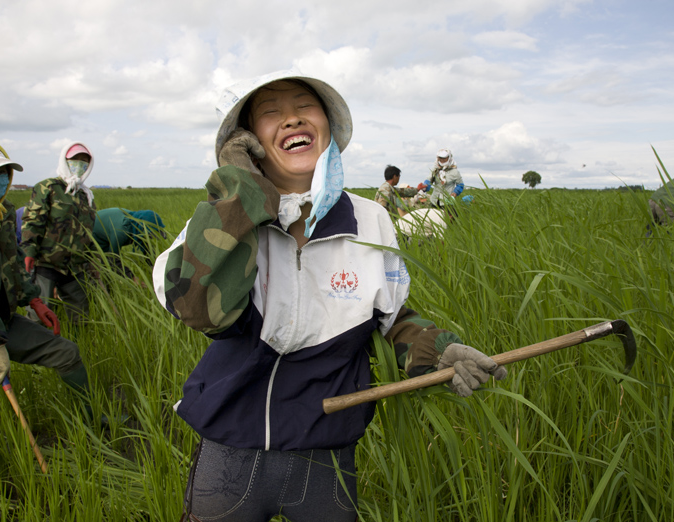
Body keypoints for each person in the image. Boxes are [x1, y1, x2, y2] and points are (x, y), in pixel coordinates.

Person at [153, 69, 507, 522]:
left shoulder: (370, 220)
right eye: (270, 113)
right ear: (247, 141)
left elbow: (390, 318)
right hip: (231, 456)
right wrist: (242, 193)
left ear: (328, 126)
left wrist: (438, 350)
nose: (291, 120)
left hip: (325, 460)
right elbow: (199, 309)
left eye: (304, 107)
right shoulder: (220, 219)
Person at [0, 139, 91, 404]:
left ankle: (92, 418)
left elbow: (10, 263)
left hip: (2, 317)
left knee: (66, 353)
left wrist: (34, 300)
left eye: (2, 171)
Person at [21, 142, 97, 323]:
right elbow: (33, 222)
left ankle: (77, 347)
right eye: (74, 160)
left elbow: (88, 233)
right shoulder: (48, 188)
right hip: (47, 261)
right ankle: (38, 348)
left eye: (84, 161)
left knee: (80, 315)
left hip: (75, 266)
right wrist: (28, 252)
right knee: (40, 314)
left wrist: (92, 263)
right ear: (65, 160)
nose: (79, 164)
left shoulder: (86, 196)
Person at [93, 208, 166, 282]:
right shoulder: (121, 232)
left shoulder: (136, 224)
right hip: (94, 232)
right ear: (143, 229)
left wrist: (158, 269)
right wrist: (133, 278)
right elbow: (113, 259)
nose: (150, 238)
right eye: (150, 235)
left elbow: (147, 251)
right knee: (105, 268)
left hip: (108, 225)